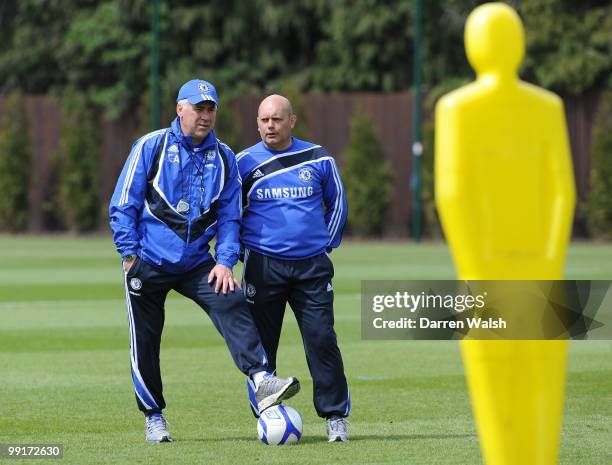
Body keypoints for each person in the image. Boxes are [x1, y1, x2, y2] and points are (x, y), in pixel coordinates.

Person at [109, 80, 300, 443]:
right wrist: (129, 253)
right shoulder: (151, 146)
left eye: (211, 108)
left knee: (231, 300)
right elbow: (123, 204)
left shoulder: (225, 156)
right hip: (147, 261)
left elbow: (231, 218)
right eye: (199, 108)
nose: (205, 115)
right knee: (146, 340)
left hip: (198, 261)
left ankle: (261, 380)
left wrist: (225, 261)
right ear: (180, 109)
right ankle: (154, 416)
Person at [236, 94, 350, 442]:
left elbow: (338, 202)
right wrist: (243, 254)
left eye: (277, 119)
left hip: (311, 268)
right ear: (257, 123)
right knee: (261, 346)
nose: (270, 125)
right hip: (263, 266)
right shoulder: (242, 163)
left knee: (321, 339)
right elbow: (230, 213)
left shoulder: (319, 158)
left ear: (292, 121)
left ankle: (335, 417)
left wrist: (324, 245)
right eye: (264, 120)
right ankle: (267, 414)